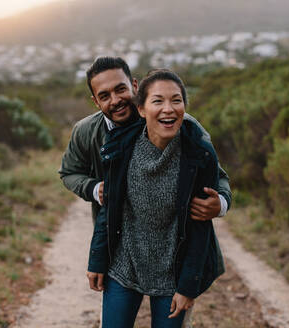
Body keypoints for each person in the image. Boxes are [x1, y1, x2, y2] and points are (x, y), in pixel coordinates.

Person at [87, 69, 226, 327]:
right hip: (124, 263)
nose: (168, 109)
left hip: (173, 272)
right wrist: (96, 260)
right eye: (157, 101)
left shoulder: (199, 153)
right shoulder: (121, 146)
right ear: (141, 109)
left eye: (176, 100)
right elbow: (110, 208)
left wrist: (188, 286)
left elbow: (199, 228)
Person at [58, 57, 231, 226]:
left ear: (134, 86)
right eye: (104, 96)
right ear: (96, 101)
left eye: (120, 89)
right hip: (117, 240)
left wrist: (220, 204)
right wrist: (95, 189)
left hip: (179, 240)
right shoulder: (85, 131)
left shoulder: (179, 124)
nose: (116, 100)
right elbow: (69, 173)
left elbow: (218, 175)